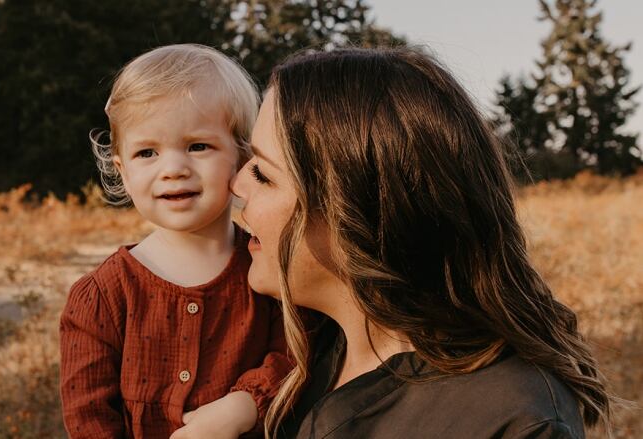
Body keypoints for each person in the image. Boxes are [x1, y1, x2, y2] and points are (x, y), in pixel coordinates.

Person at [231, 47, 612, 439]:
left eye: (262, 174)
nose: (236, 185)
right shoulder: (285, 351)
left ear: (355, 215)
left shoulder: (511, 421)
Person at [59, 44, 291, 439]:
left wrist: (248, 402)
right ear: (124, 172)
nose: (173, 169)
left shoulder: (270, 270)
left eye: (197, 146)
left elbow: (300, 356)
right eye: (147, 152)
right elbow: (89, 418)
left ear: (241, 158)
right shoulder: (101, 297)